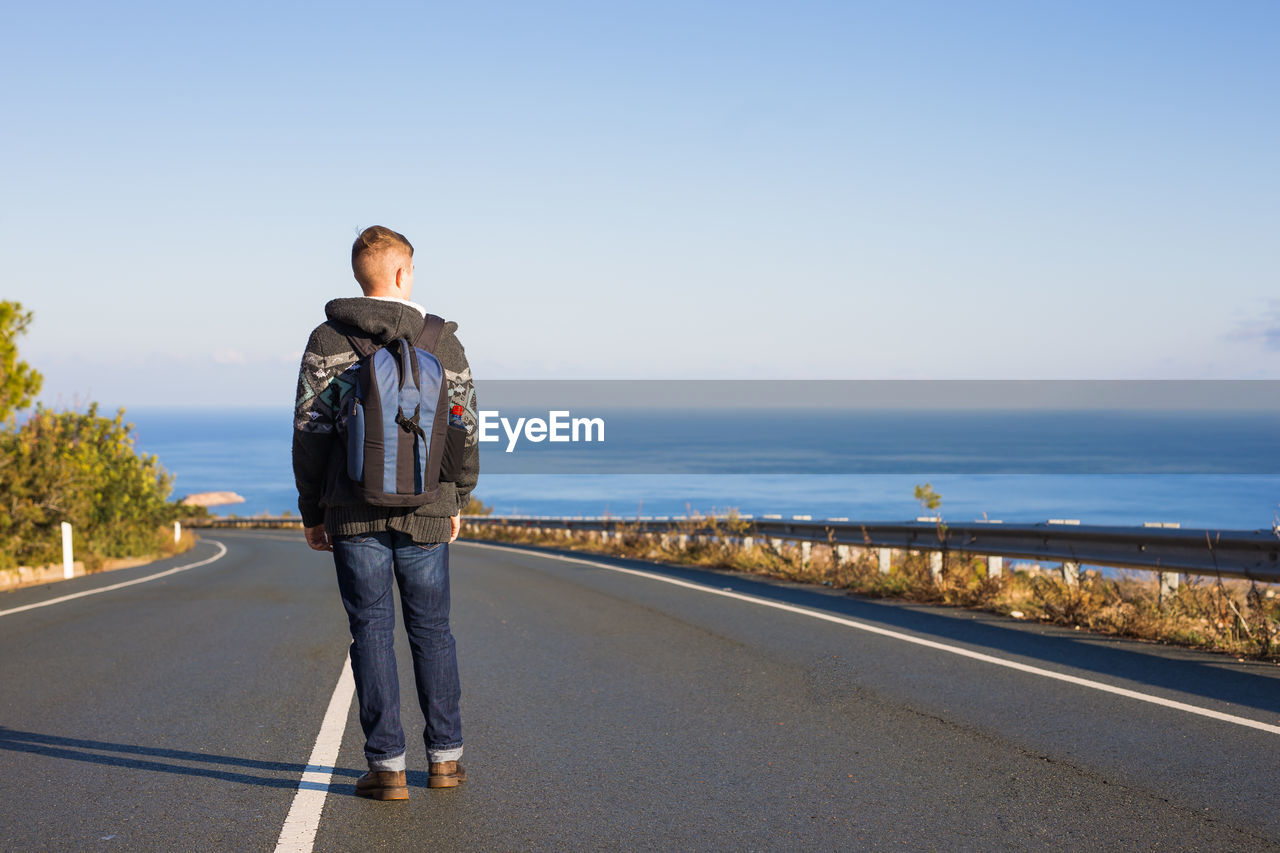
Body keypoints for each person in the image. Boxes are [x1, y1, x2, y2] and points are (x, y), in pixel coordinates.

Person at [292, 225, 479, 801]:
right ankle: (445, 760)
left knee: (371, 631)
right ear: (402, 274)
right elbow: (465, 428)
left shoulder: (327, 338)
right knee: (432, 631)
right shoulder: (442, 340)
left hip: (351, 508)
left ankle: (388, 768)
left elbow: (310, 432)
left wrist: (312, 511)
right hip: (427, 507)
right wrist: (458, 497)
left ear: (361, 275)